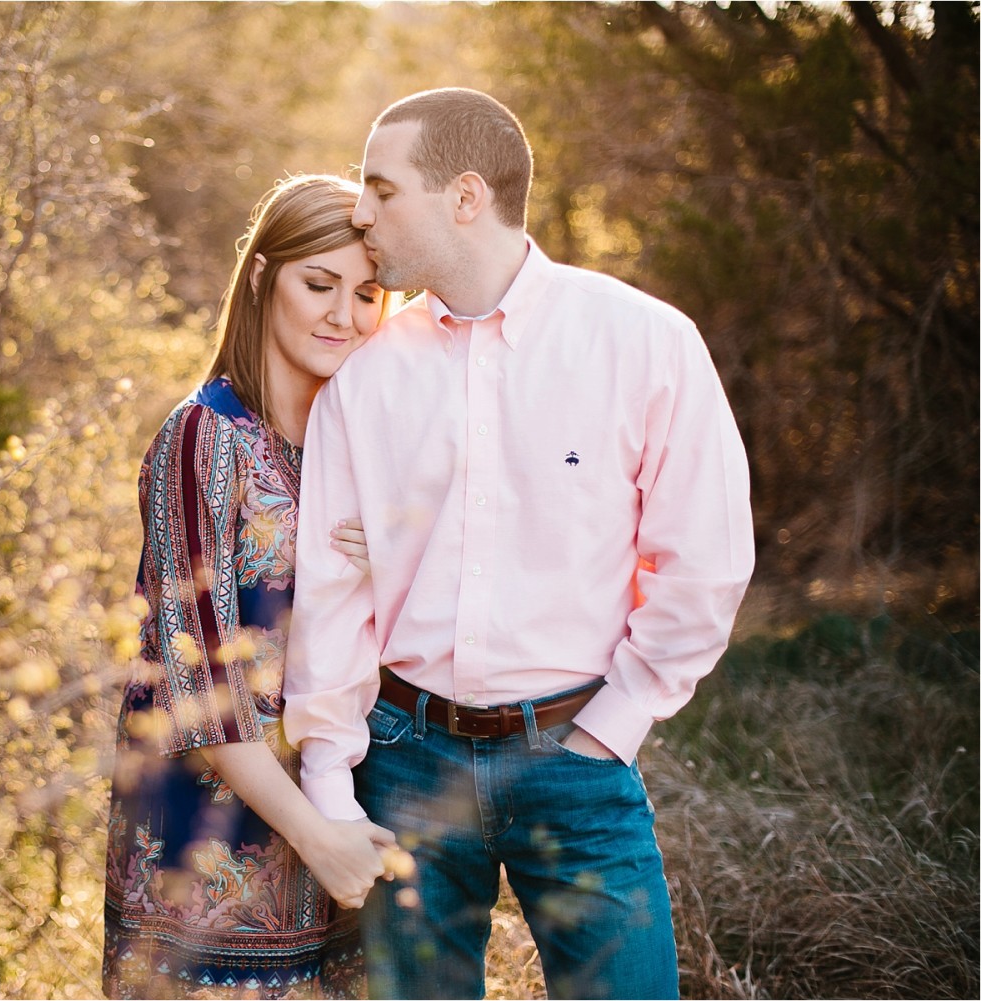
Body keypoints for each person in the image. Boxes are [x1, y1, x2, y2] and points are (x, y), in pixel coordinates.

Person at [284, 88, 756, 1000]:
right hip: (405, 761)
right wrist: (333, 775)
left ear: (465, 197)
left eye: (381, 189)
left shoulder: (645, 342)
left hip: (577, 755)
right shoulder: (367, 373)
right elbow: (335, 589)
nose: (359, 211)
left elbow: (705, 558)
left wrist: (615, 723)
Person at [103, 175, 399, 1000]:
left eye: (368, 293)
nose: (345, 314)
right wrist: (318, 836)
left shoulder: (353, 445)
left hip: (329, 820)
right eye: (319, 284)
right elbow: (196, 689)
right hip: (209, 845)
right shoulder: (206, 436)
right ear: (264, 276)